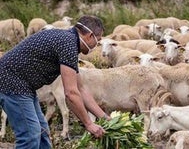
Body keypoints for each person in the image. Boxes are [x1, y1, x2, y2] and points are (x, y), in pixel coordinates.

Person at [0, 15, 110, 149]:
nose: (96, 46)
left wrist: (104, 117)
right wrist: (89, 124)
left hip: (24, 86)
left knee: (42, 132)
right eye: (97, 42)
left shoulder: (68, 41)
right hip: (12, 83)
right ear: (90, 36)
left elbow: (80, 89)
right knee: (30, 136)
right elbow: (71, 93)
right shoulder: (67, 44)